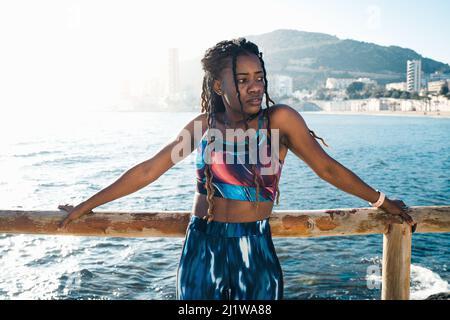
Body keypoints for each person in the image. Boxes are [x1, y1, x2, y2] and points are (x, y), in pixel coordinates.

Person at [58, 38, 416, 300]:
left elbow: (326, 168)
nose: (255, 86)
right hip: (201, 245)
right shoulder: (202, 127)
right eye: (242, 79)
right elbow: (149, 170)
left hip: (253, 246)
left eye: (258, 77)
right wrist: (86, 206)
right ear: (218, 85)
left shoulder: (279, 121)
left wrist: (380, 200)